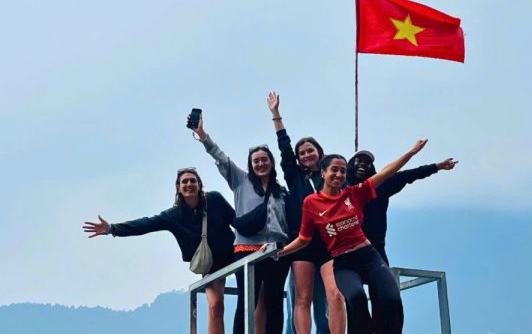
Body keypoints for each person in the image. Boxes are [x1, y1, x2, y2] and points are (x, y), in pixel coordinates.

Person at [277, 139, 429, 334]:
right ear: (322, 172)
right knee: (356, 299)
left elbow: (387, 173)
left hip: (368, 255)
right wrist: (280, 253)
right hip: (342, 260)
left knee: (391, 299)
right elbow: (304, 239)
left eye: (342, 171)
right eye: (334, 170)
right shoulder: (311, 203)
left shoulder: (354, 193)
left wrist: (412, 152)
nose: (339, 175)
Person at [82, 168, 235, 334]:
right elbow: (146, 224)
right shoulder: (174, 215)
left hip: (234, 253)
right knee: (215, 305)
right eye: (184, 182)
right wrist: (112, 229)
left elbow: (237, 220)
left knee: (253, 293)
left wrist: (258, 238)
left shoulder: (214, 200)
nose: (189, 184)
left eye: (192, 180)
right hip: (211, 265)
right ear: (178, 188)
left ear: (199, 185)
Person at [191, 114, 290, 334]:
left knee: (275, 300)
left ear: (271, 162)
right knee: (248, 301)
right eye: (256, 161)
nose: (261, 163)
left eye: (264, 159)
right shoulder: (241, 181)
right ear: (251, 164)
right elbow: (221, 158)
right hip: (247, 249)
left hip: (277, 251)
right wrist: (202, 135)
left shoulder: (281, 192)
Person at [346, 151, 457, 333]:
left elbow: (408, 175)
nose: (362, 166)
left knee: (384, 297)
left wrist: (437, 167)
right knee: (353, 300)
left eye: (367, 164)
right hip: (348, 253)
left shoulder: (380, 185)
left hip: (375, 251)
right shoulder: (341, 188)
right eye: (359, 162)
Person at [267, 91, 344, 334]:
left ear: (320, 153)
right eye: (303, 153)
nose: (307, 155)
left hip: (330, 243)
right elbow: (284, 149)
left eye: (311, 150)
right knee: (302, 298)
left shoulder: (334, 177)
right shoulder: (295, 177)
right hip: (302, 243)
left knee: (334, 295)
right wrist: (276, 115)